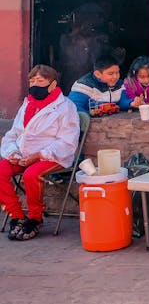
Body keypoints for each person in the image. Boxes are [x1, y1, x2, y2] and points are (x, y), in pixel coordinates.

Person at [0, 65, 80, 240]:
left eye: (40, 81)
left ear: (52, 84)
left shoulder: (66, 107)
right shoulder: (27, 104)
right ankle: (17, 215)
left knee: (31, 174)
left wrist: (38, 155)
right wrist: (13, 152)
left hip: (53, 155)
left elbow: (67, 142)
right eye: (32, 81)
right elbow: (14, 133)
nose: (35, 84)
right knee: (1, 170)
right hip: (23, 154)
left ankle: (35, 219)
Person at [68, 54, 138, 116]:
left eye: (117, 72)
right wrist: (90, 115)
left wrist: (131, 103)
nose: (115, 76)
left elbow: (121, 102)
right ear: (97, 74)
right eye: (110, 74)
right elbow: (73, 107)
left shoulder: (120, 84)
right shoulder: (84, 85)